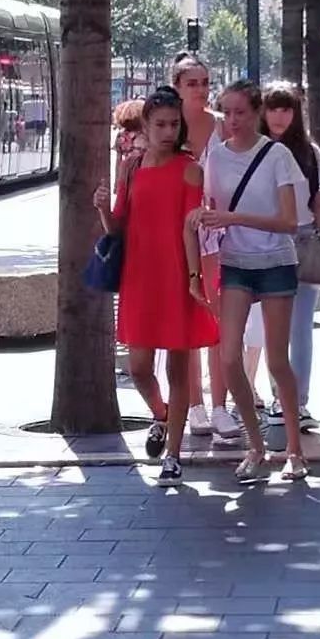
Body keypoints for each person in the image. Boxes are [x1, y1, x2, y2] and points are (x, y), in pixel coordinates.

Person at [94, 87, 219, 487]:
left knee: (180, 370)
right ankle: (162, 416)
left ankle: (173, 455)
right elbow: (118, 226)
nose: (168, 130)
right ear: (145, 125)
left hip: (178, 275)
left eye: (173, 123)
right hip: (139, 275)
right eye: (160, 124)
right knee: (139, 367)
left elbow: (190, 229)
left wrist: (196, 279)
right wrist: (101, 207)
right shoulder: (132, 167)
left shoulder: (190, 169)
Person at [193, 79, 308, 482]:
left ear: (256, 112)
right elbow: (206, 203)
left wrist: (231, 218)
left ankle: (294, 449)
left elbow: (289, 222)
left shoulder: (276, 155)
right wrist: (204, 216)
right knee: (228, 357)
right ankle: (255, 446)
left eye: (240, 112)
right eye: (226, 112)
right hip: (236, 261)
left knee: (277, 359)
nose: (233, 120)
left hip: (275, 260)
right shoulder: (216, 158)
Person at [172, 52, 240, 442]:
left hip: (213, 232)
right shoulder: (167, 125)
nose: (200, 89)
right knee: (185, 317)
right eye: (192, 83)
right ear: (177, 86)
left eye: (204, 82)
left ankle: (220, 406)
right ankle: (193, 404)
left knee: (215, 315)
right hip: (176, 232)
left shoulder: (220, 127)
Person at [259, 81, 320, 431]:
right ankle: (277, 398)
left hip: (300, 240)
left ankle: (296, 400)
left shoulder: (310, 152)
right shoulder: (254, 149)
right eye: (273, 107)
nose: (280, 115)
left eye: (286, 109)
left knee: (299, 327)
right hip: (262, 242)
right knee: (271, 327)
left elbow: (319, 201)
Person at [112, 99, 146, 187]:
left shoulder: (121, 135)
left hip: (126, 174)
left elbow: (118, 161)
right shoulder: (145, 135)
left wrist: (117, 181)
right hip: (141, 173)